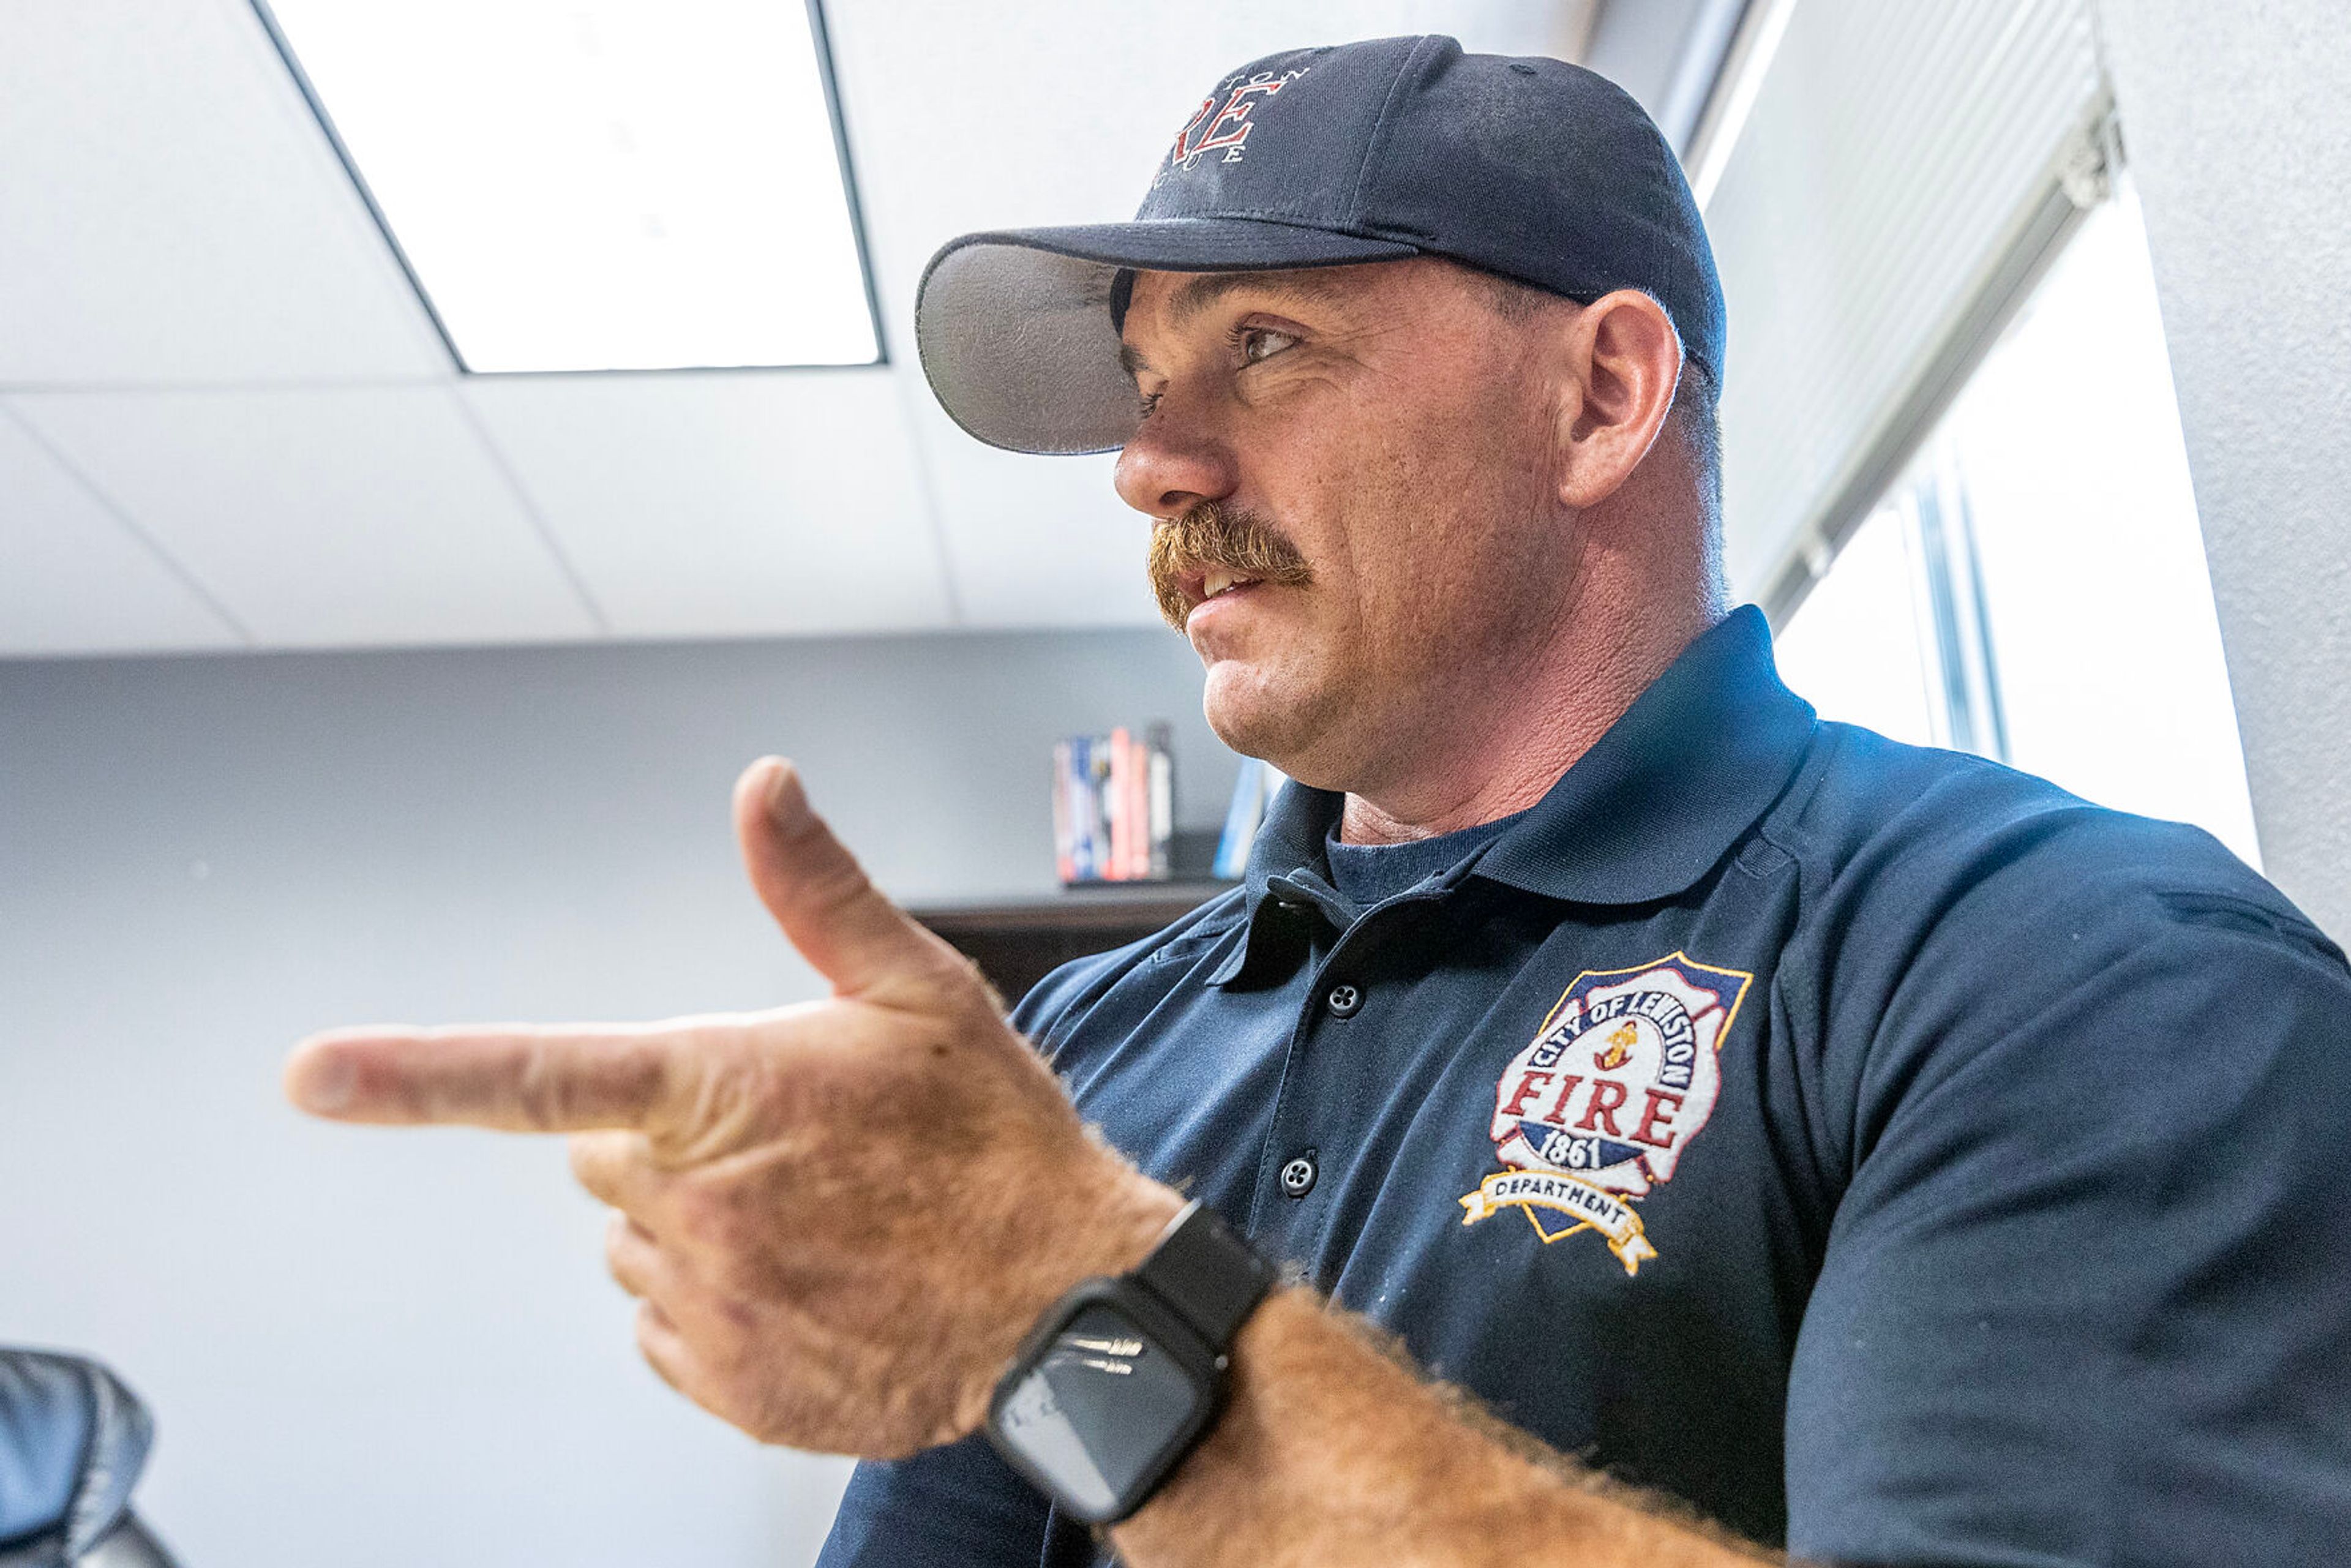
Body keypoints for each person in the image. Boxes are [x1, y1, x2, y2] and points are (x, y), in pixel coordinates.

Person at [283, 36, 2351, 1568]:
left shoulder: (2067, 971)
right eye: (1141, 384)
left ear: (1604, 396)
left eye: (1264, 344)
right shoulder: (1086, 1053)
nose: (1150, 470)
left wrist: (1070, 1305)